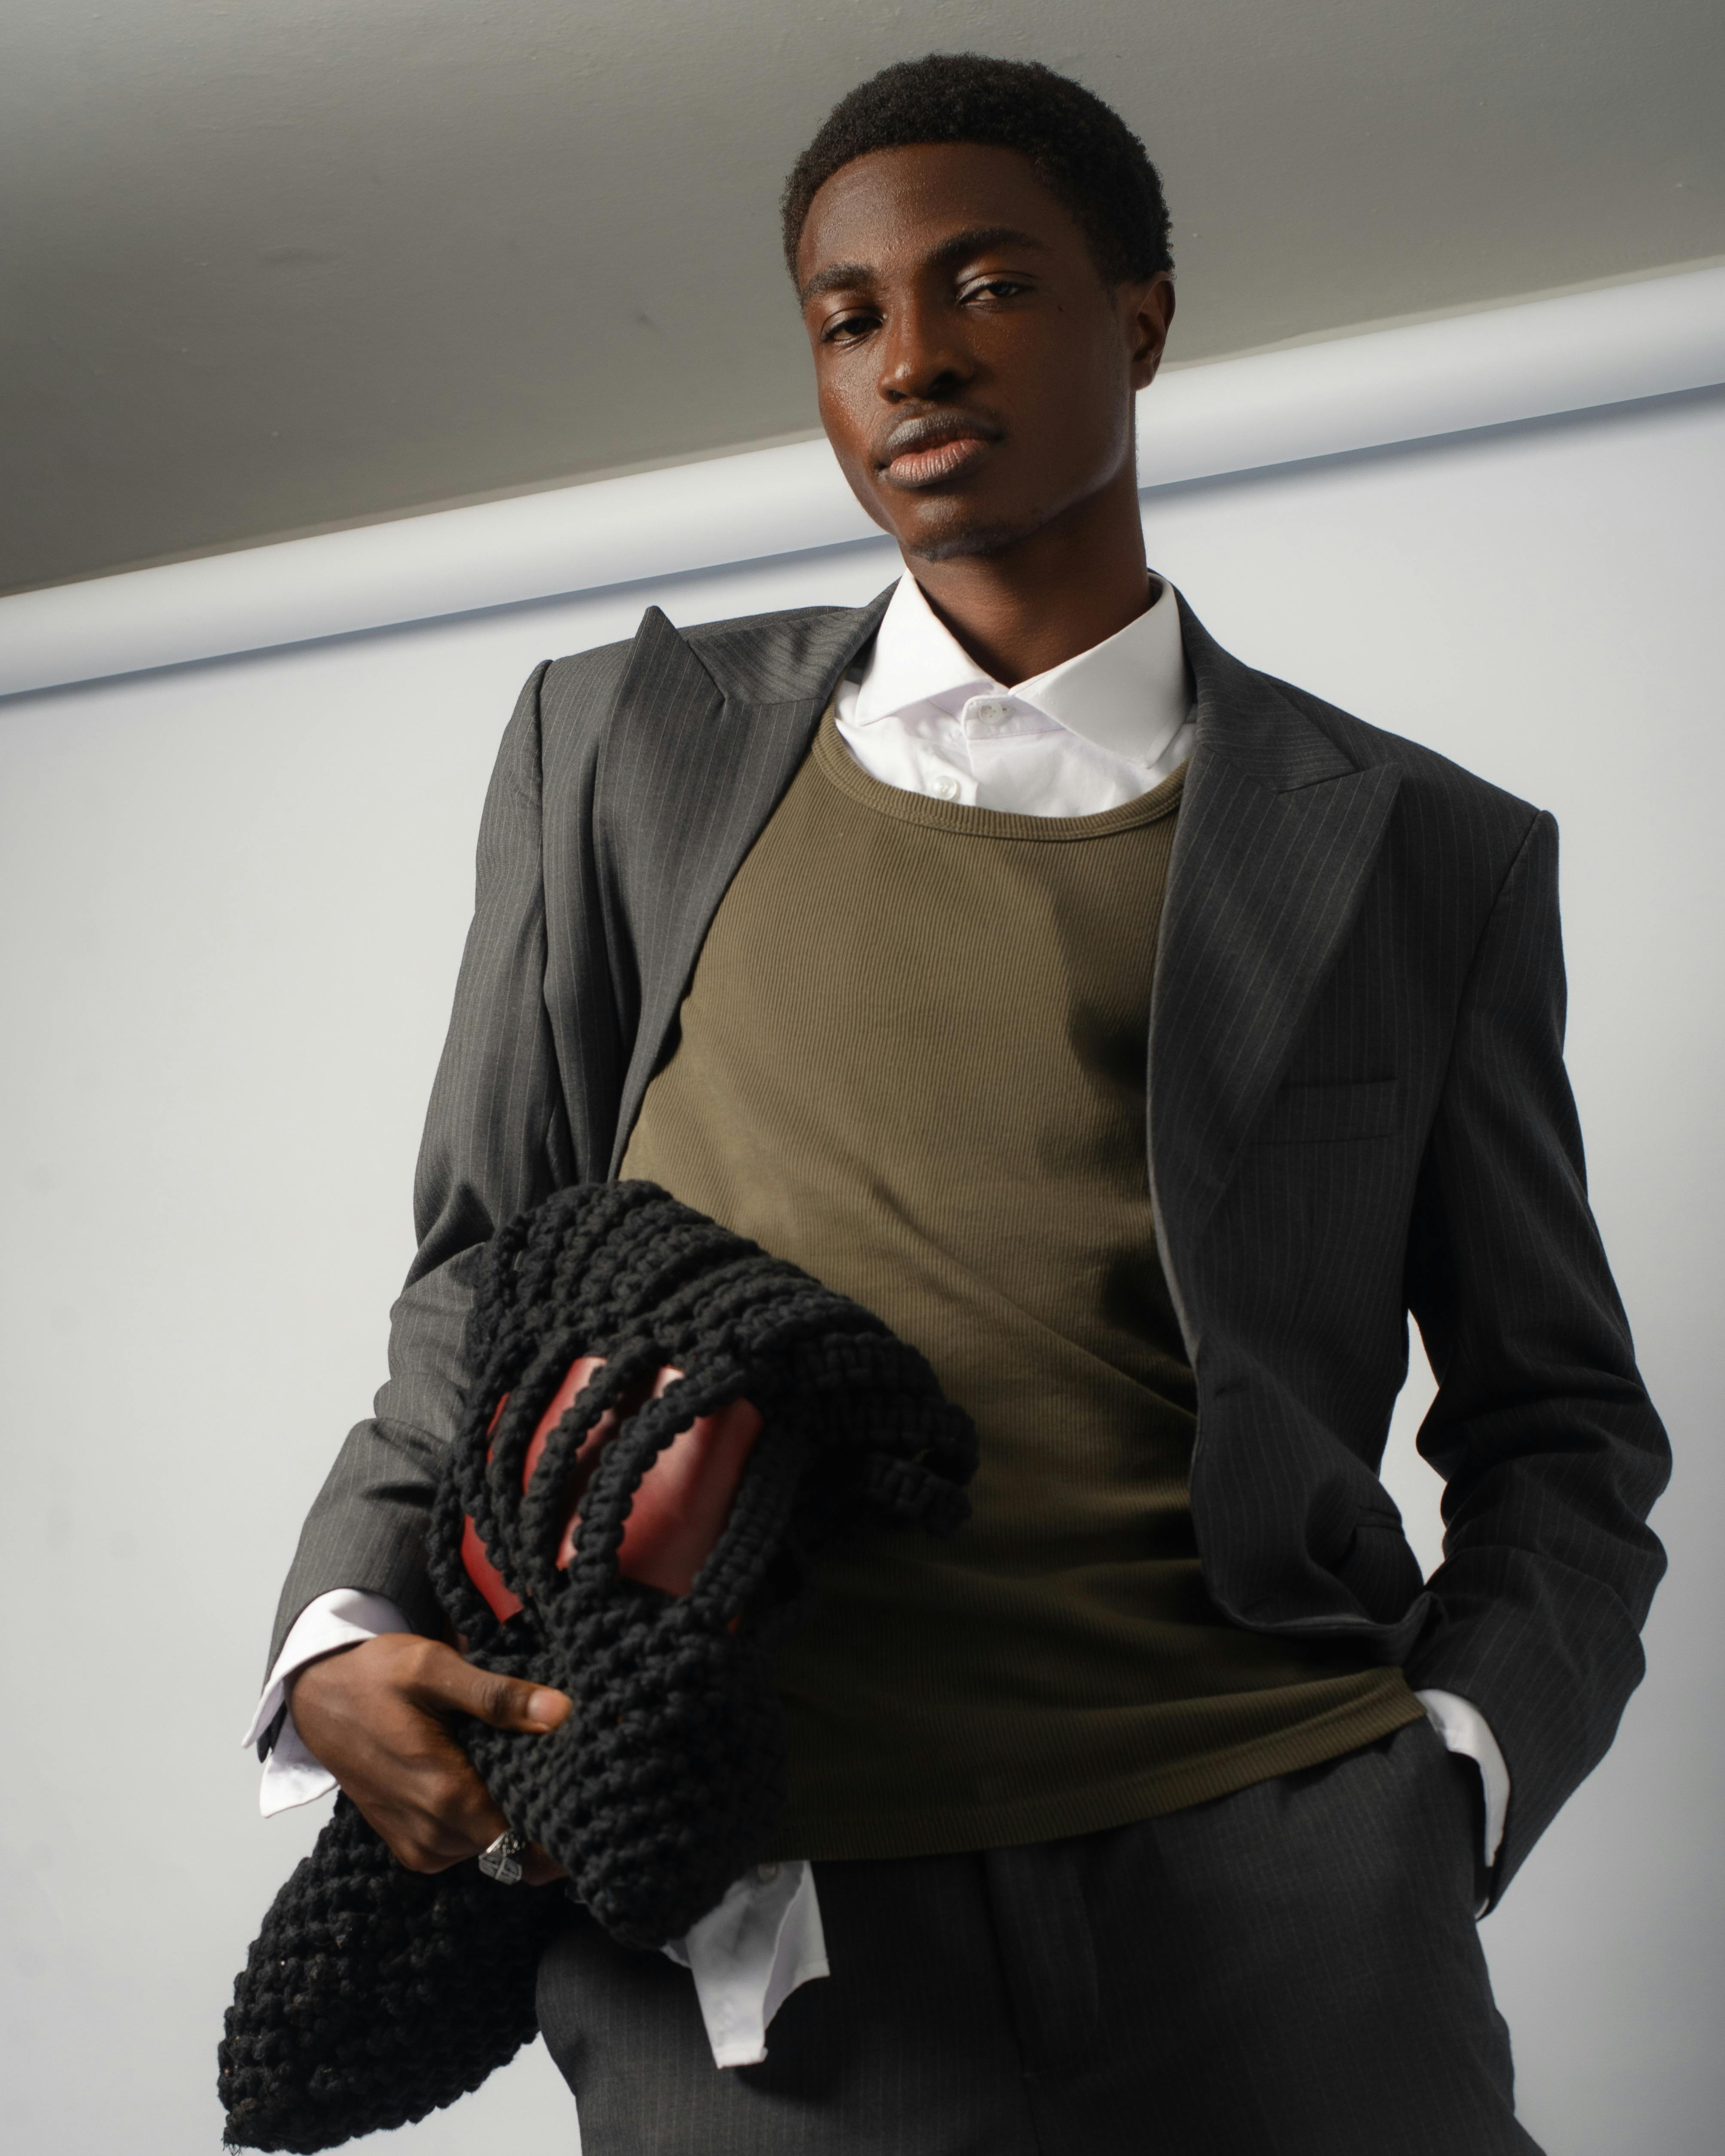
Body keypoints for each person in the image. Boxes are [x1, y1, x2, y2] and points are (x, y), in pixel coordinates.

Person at [247, 53, 1670, 2156]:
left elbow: (1554, 1419)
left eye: (989, 284)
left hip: (1280, 1881)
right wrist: (338, 1625)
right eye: (847, 317)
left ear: (1143, 319)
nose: (909, 357)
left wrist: (1448, 1770)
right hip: (751, 1907)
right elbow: (489, 1263)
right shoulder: (623, 753)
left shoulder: (1418, 853)